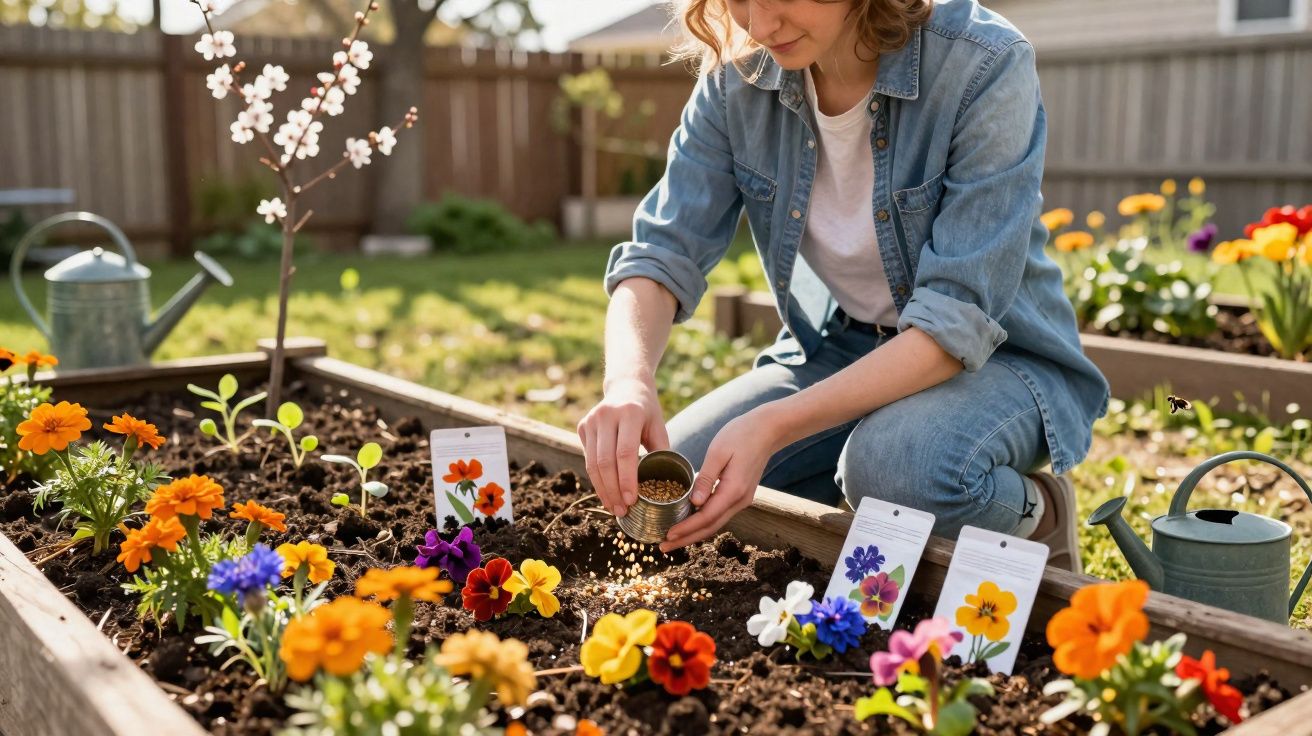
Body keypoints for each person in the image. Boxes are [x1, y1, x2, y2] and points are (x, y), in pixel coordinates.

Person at [576, 0, 1109, 572]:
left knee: (894, 470)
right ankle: (853, 499)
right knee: (684, 482)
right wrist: (628, 381)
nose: (757, 27)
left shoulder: (982, 64)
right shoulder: (738, 77)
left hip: (1000, 360)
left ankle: (1041, 513)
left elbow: (955, 320)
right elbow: (662, 252)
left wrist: (776, 424)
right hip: (838, 347)